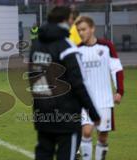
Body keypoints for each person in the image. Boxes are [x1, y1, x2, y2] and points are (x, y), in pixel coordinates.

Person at [28, 6, 100, 160]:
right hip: (67, 115)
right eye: (72, 20)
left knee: (43, 153)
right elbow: (79, 83)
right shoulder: (67, 47)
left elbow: (33, 77)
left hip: (42, 113)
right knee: (67, 155)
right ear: (67, 20)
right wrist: (93, 113)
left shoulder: (36, 46)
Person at [75, 16, 124, 160]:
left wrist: (119, 91)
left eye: (83, 29)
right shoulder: (77, 50)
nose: (81, 33)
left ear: (92, 29)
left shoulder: (107, 46)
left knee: (102, 137)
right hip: (85, 101)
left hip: (105, 101)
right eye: (79, 31)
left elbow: (116, 69)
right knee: (87, 131)